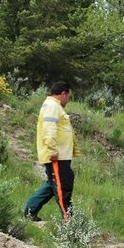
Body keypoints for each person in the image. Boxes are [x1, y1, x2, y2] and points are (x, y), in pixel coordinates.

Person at [23, 81, 77, 221]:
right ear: (63, 94)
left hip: (61, 156)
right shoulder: (52, 106)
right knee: (62, 187)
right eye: (68, 97)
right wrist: (52, 149)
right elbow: (48, 128)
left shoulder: (54, 106)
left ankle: (30, 211)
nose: (68, 100)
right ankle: (69, 222)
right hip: (57, 156)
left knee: (53, 185)